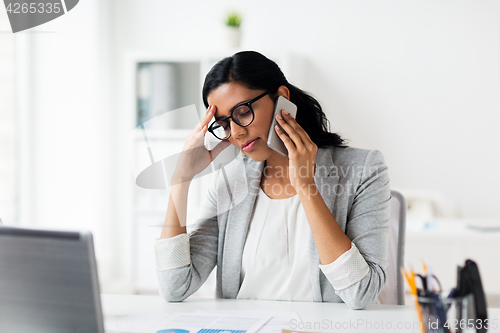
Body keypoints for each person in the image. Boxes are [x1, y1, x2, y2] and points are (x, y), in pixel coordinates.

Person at [154, 51, 390, 310]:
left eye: (243, 112)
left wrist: (305, 186)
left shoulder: (362, 170)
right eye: (223, 124)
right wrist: (180, 179)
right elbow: (174, 287)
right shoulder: (231, 181)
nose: (236, 132)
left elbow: (361, 294)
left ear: (282, 98)